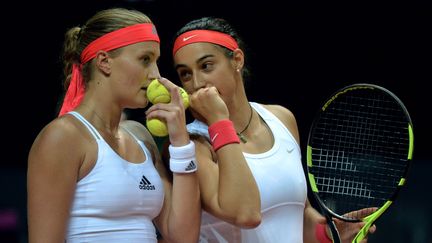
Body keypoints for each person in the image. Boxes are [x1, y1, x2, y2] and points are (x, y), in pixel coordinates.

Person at [170, 17, 377, 243]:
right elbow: (244, 213)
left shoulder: (281, 119)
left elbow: (298, 214)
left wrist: (327, 234)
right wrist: (219, 121)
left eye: (206, 66)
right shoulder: (191, 143)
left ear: (237, 60)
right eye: (185, 74)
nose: (197, 82)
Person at [27, 8, 200, 243]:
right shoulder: (62, 137)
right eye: (145, 60)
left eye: (156, 61)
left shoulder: (141, 136)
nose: (156, 76)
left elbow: (183, 237)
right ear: (104, 61)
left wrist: (181, 143)